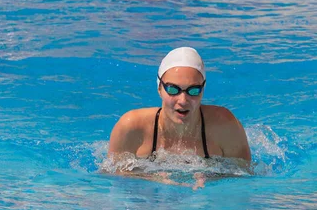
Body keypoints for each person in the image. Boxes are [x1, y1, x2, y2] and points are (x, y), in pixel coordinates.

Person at [108, 47, 251, 166]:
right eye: (173, 89)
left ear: (203, 90)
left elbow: (245, 178)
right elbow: (113, 178)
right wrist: (155, 178)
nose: (183, 100)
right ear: (159, 88)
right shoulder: (131, 127)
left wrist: (209, 179)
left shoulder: (225, 126)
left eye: (193, 90)